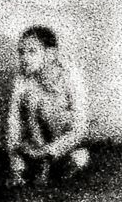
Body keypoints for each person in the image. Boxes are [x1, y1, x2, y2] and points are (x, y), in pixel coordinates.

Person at [6, 27, 92, 186]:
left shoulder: (69, 75)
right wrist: (15, 165)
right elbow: (14, 122)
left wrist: (49, 151)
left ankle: (50, 166)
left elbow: (79, 127)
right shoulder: (22, 79)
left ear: (50, 54)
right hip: (35, 143)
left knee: (79, 158)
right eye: (21, 52)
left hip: (62, 143)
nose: (24, 58)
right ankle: (36, 168)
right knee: (32, 100)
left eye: (32, 51)